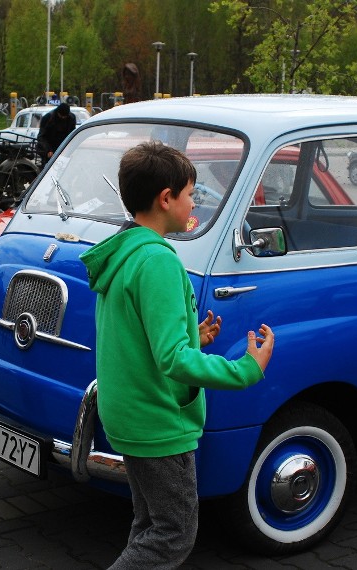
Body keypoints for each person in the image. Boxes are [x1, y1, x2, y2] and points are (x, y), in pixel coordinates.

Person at [80, 141, 275, 569]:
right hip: (157, 421)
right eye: (189, 193)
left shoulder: (124, 251)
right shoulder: (158, 262)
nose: (193, 201)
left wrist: (194, 336)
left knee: (149, 525)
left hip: (129, 413)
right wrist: (246, 368)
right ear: (166, 198)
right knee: (173, 535)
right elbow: (172, 360)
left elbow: (141, 337)